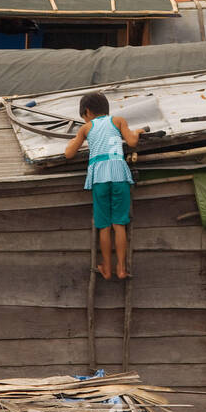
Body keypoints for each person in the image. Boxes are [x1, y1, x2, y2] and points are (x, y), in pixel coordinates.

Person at [64, 91, 140, 280]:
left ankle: (106, 268)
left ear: (87, 112)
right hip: (119, 173)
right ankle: (121, 269)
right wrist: (138, 132)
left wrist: (74, 140)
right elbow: (131, 141)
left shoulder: (86, 128)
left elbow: (68, 154)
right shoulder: (118, 121)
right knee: (119, 224)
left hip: (99, 177)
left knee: (104, 226)